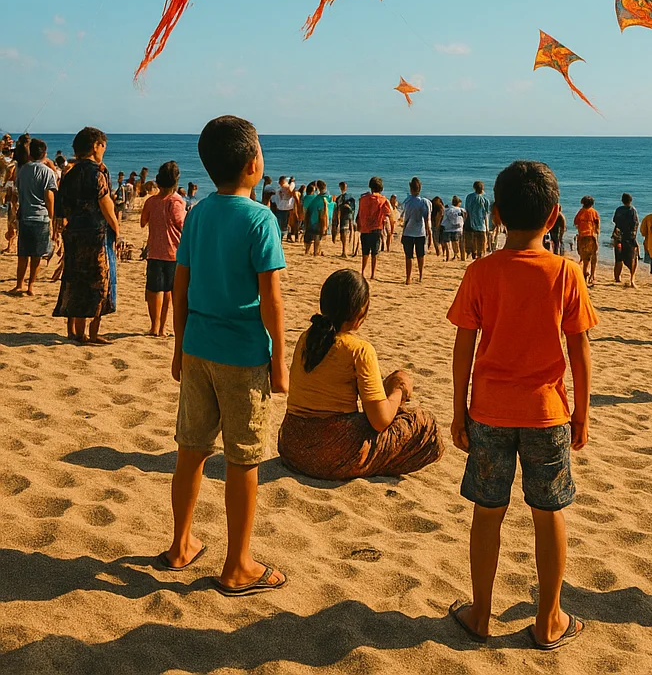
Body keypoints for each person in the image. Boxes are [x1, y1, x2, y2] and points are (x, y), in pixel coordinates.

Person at [447, 159, 596, 650]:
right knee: (548, 511)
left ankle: (481, 614)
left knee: (487, 512)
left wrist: (458, 407)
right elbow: (579, 348)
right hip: (547, 411)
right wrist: (583, 410)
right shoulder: (565, 272)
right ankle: (548, 620)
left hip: (488, 409)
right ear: (555, 216)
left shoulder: (481, 271)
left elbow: (464, 345)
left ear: (497, 214)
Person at [162, 114, 288, 594]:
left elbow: (181, 285)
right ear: (254, 163)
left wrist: (178, 347)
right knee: (243, 459)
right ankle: (238, 564)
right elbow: (271, 298)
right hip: (242, 354)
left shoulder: (196, 213)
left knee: (190, 450)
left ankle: (180, 544)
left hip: (197, 347)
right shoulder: (260, 219)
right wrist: (278, 361)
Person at [278, 268, 442, 478]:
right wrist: (399, 390)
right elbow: (380, 421)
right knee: (423, 424)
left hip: (291, 446)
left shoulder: (306, 338)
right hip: (329, 453)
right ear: (359, 314)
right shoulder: (359, 350)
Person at [52, 128, 118, 344]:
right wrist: (116, 228)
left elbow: (61, 209)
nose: (103, 151)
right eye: (103, 147)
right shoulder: (97, 173)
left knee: (75, 278)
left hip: (74, 233)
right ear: (95, 146)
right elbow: (106, 204)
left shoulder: (69, 174)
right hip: (95, 234)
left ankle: (74, 330)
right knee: (100, 282)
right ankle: (90, 332)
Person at [140, 161, 186, 336]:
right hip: (174, 252)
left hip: (154, 251)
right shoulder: (176, 201)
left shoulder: (151, 201)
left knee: (155, 290)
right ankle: (164, 328)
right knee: (170, 292)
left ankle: (155, 326)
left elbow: (143, 222)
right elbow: (182, 225)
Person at [7, 138, 57, 296]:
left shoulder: (22, 170)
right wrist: (52, 216)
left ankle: (19, 284)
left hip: (25, 216)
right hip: (40, 217)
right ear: (45, 153)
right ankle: (31, 286)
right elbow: (49, 197)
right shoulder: (48, 172)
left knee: (23, 254)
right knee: (36, 256)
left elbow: (18, 191)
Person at [357, 177, 391, 280]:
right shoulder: (383, 200)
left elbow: (359, 214)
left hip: (364, 228)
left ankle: (363, 271)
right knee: (374, 253)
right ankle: (372, 274)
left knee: (365, 252)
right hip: (376, 228)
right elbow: (387, 214)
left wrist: (358, 225)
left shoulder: (363, 199)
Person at [401, 177, 432, 285]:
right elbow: (427, 219)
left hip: (408, 231)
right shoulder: (424, 202)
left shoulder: (408, 201)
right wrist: (429, 234)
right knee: (420, 255)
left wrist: (403, 231)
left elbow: (405, 218)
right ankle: (420, 275)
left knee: (408, 256)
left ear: (411, 188)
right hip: (421, 232)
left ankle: (408, 278)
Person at [613, 192, 640, 287]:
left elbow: (615, 221)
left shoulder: (618, 210)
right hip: (628, 237)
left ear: (622, 200)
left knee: (618, 258)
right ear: (631, 200)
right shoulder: (632, 210)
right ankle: (632, 278)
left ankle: (617, 278)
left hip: (618, 235)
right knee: (633, 257)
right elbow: (635, 223)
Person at [573, 196, 600, 287]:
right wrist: (597, 231)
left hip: (582, 237)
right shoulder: (594, 212)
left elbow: (576, 223)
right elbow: (597, 223)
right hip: (592, 236)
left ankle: (585, 275)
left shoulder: (580, 212)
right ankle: (592, 275)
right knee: (594, 256)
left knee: (585, 258)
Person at [465, 181, 491, 261]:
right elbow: (486, 214)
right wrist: (487, 227)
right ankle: (481, 255)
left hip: (469, 222)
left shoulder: (469, 197)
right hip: (481, 224)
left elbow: (467, 210)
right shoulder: (485, 200)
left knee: (472, 240)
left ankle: (473, 253)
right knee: (482, 242)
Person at [303, 181, 329, 257]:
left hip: (311, 218)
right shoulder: (323, 198)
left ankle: (307, 251)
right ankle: (315, 252)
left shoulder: (315, 198)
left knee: (310, 235)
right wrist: (324, 225)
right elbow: (323, 213)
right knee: (317, 236)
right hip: (317, 219)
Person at [333, 182, 355, 255]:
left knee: (347, 232)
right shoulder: (341, 197)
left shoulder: (347, 197)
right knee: (345, 233)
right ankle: (345, 250)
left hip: (347, 216)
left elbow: (351, 207)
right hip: (345, 216)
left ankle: (346, 251)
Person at [441, 196, 466, 262]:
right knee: (455, 242)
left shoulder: (448, 209)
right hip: (458, 229)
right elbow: (465, 216)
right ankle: (456, 255)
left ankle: (448, 256)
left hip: (447, 228)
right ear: (458, 203)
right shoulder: (461, 210)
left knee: (448, 243)